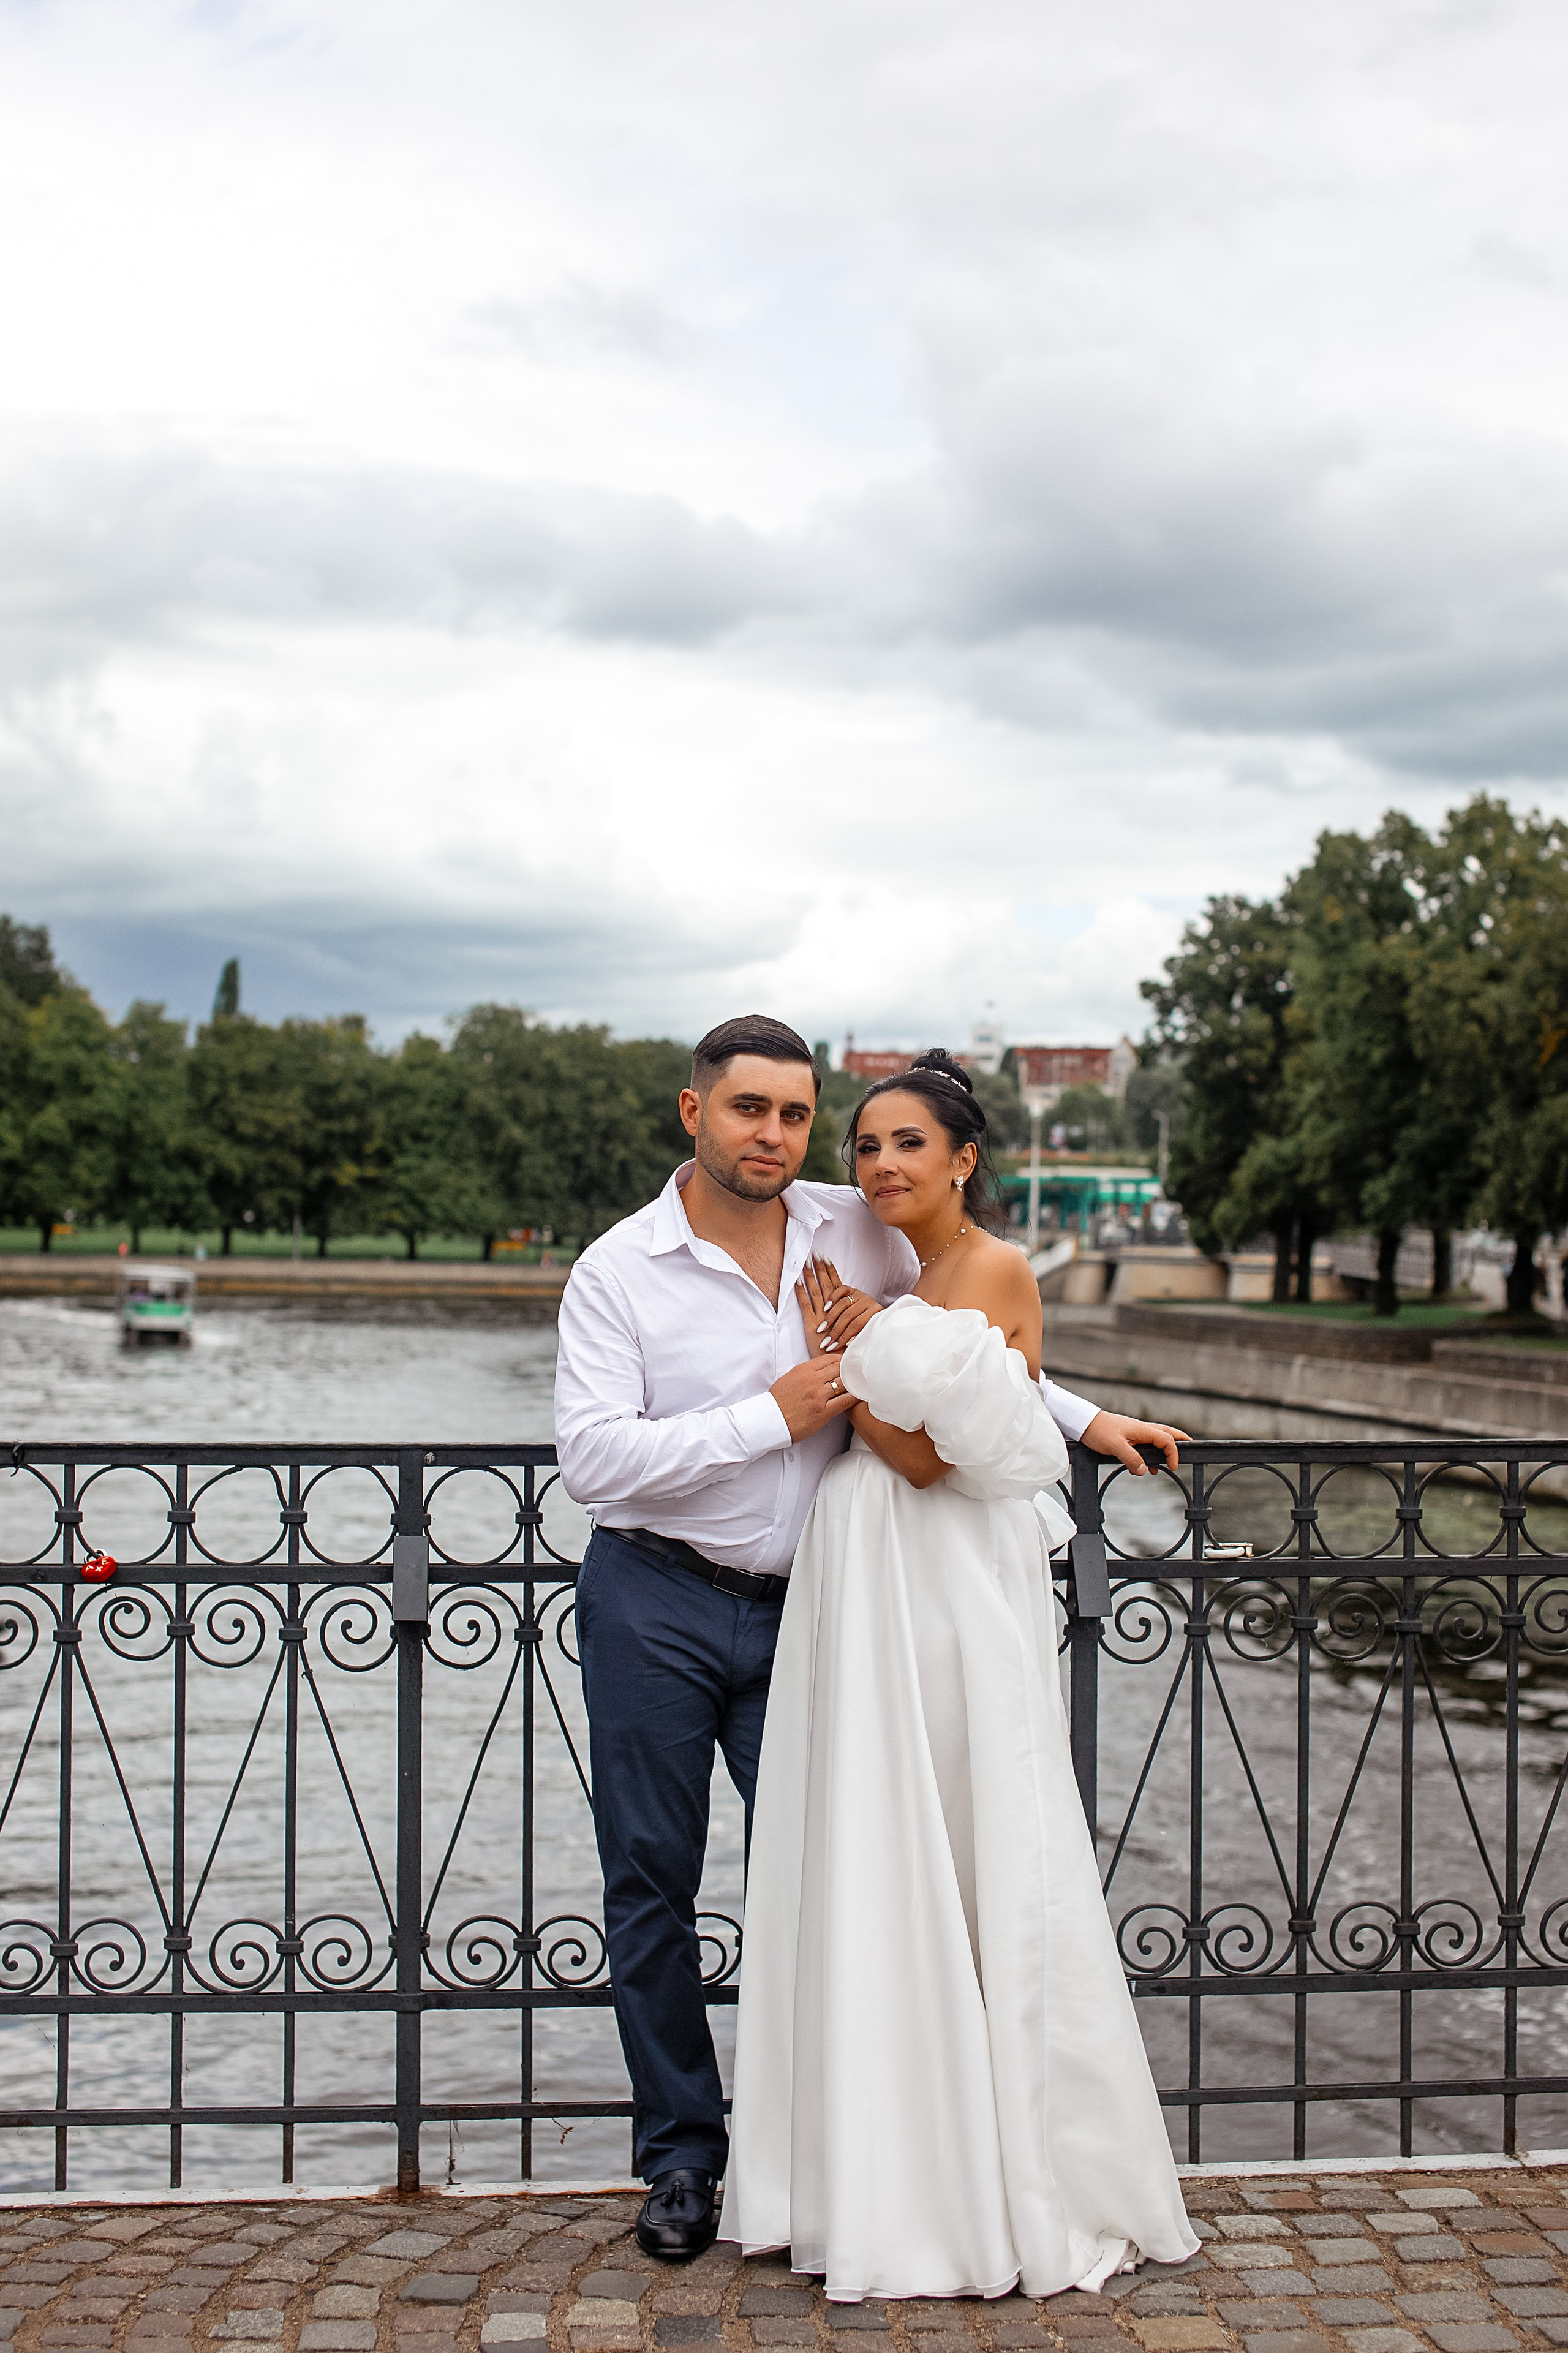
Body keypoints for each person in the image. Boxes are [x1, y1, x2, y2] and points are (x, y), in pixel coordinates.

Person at [553, 1016, 1186, 2263]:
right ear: (696, 1114)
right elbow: (591, 1458)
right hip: (656, 1599)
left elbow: (953, 1346)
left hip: (813, 1611)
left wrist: (1085, 1414)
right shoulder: (617, 1269)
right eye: (749, 1111)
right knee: (649, 1886)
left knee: (841, 1879)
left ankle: (864, 2158)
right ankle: (681, 2159)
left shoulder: (852, 1217)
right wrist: (766, 1416)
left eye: (794, 1115)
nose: (775, 1136)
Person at [723, 1051, 1197, 2298]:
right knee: (890, 1847)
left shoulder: (976, 1267)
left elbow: (932, 1457)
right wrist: (1081, 1417)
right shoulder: (906, 1268)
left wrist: (848, 1358)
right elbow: (1016, 1395)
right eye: (865, 1146)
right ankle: (885, 2158)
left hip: (929, 1578)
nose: (878, 1166)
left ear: (963, 1157)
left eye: (906, 1146)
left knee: (952, 1836)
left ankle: (967, 2178)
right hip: (879, 1579)